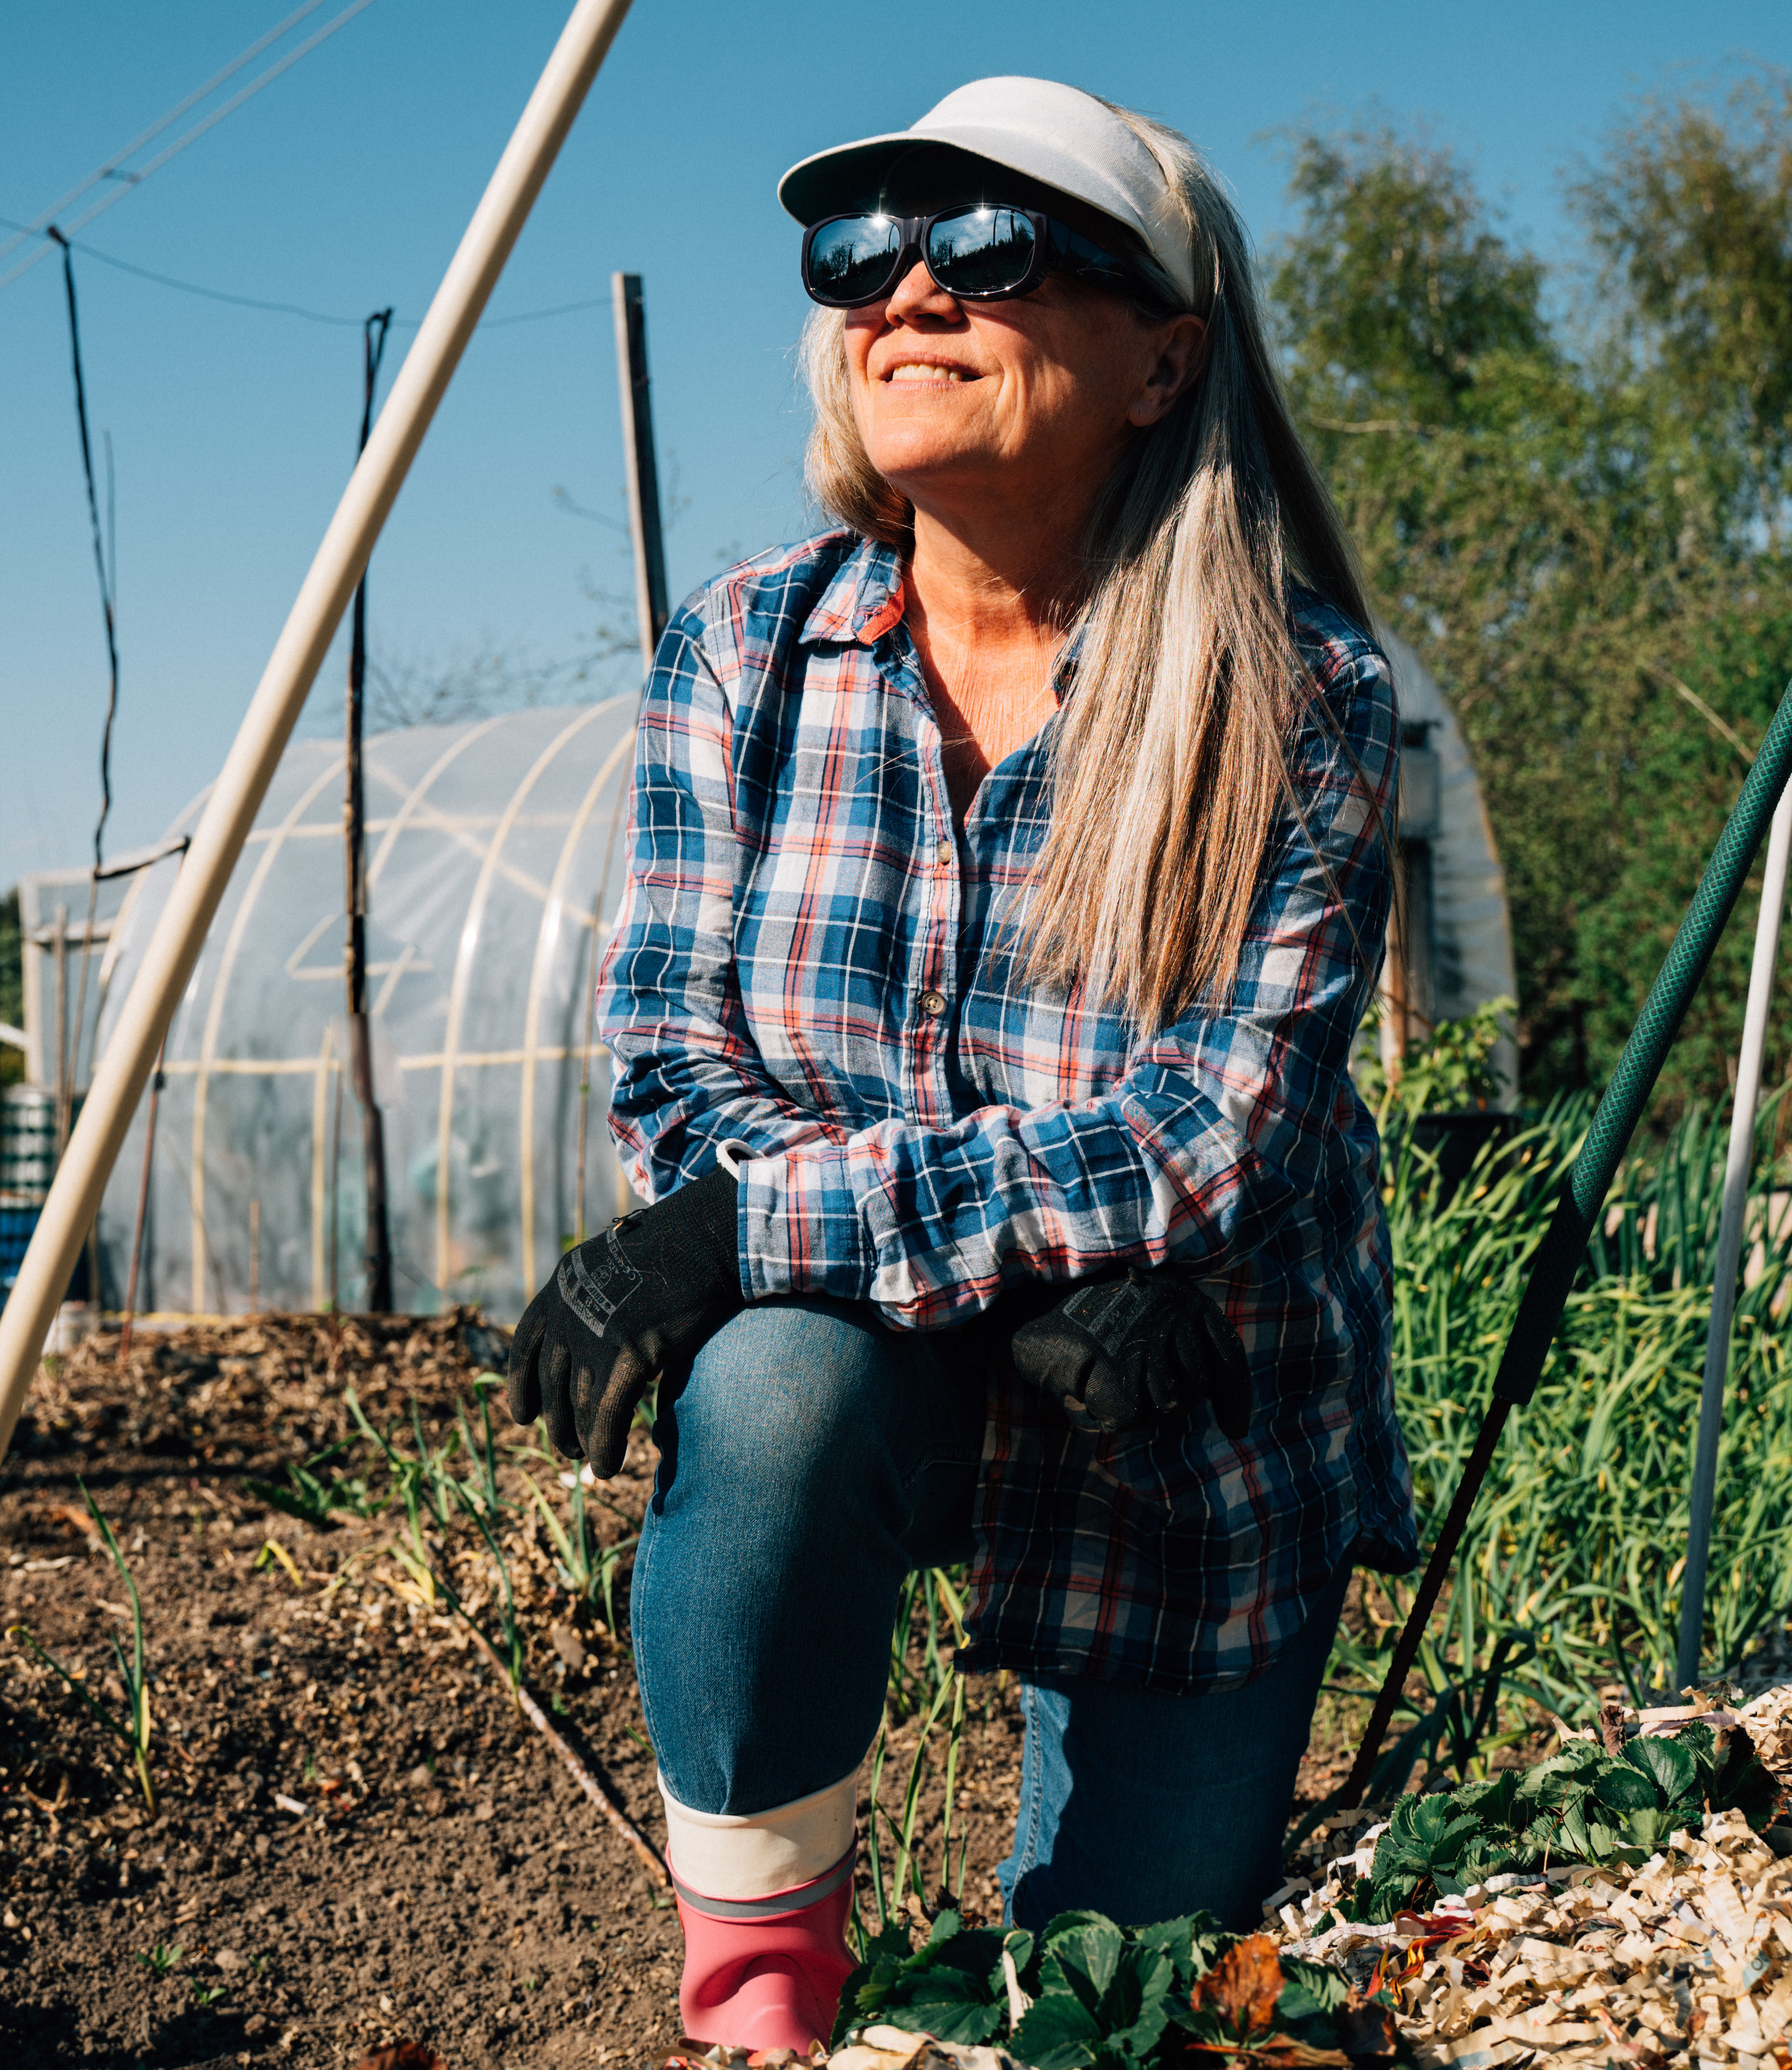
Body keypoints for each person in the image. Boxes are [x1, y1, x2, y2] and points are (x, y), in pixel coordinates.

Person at [501, 76, 1412, 2058]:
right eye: (860, 253)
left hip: (1184, 1440)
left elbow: (1200, 1142)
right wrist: (984, 1287)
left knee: (1109, 2004)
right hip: (959, 1347)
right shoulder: (745, 650)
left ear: (1163, 357)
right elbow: (675, 1055)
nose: (902, 291)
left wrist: (750, 1226)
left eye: (989, 247)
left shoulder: (1298, 693)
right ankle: (760, 2014)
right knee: (767, 1389)